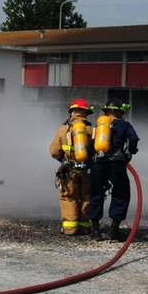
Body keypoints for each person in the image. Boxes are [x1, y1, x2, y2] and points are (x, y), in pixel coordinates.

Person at [87, 98, 140, 242]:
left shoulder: (98, 127)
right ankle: (114, 230)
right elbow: (133, 139)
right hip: (116, 164)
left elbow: (90, 147)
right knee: (121, 194)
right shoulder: (124, 125)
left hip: (98, 164)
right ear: (120, 112)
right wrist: (130, 152)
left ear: (105, 112)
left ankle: (96, 231)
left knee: (96, 194)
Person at [48, 99, 94, 236]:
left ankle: (70, 228)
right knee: (87, 197)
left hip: (69, 172)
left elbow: (54, 152)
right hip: (88, 171)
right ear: (86, 113)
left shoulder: (63, 130)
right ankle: (84, 227)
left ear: (71, 112)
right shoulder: (92, 130)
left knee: (69, 198)